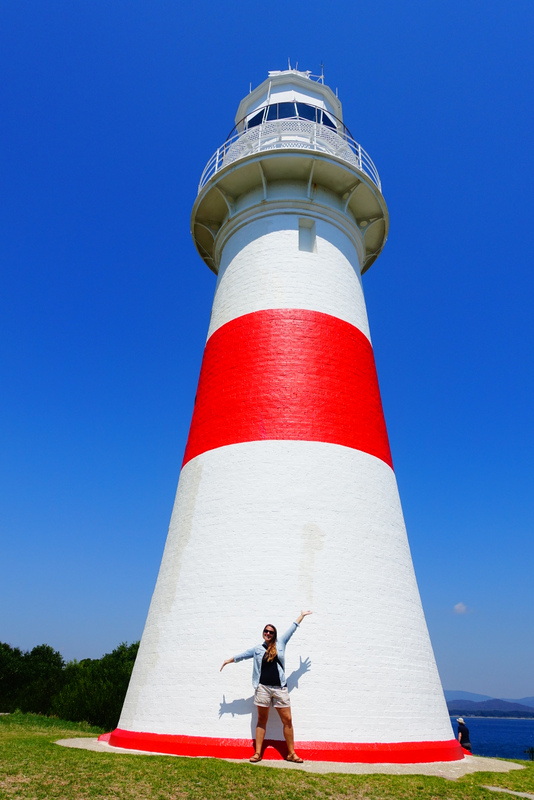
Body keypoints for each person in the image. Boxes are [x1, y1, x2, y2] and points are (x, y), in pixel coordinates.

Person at [220, 610, 312, 763]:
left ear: (274, 634)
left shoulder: (281, 643)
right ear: (263, 633)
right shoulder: (257, 649)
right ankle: (257, 753)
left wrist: (301, 616)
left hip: (280, 688)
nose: (268, 633)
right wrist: (228, 660)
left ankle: (291, 754)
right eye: (266, 631)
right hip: (262, 688)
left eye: (271, 632)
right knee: (262, 720)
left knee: (287, 720)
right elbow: (242, 655)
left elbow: (292, 629)